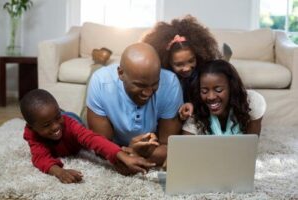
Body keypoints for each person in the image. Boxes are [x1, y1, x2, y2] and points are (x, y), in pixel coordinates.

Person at [20, 89, 156, 184]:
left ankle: (70, 113)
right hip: (62, 126)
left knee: (89, 139)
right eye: (46, 125)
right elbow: (40, 158)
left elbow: (92, 139)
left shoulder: (68, 125)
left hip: (72, 120)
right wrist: (59, 172)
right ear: (32, 127)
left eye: (57, 117)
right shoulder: (32, 135)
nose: (55, 126)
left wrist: (120, 155)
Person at [86, 43, 183, 167]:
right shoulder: (100, 81)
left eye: (154, 84)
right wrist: (127, 155)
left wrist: (136, 153)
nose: (148, 92)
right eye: (140, 85)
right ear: (120, 73)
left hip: (149, 145)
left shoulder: (170, 83)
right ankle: (98, 60)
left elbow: (170, 147)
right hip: (104, 87)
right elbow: (101, 146)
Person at [141, 15, 222, 104]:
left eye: (191, 61)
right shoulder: (164, 80)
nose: (187, 68)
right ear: (167, 62)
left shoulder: (202, 74)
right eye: (179, 64)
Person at [181, 59, 266, 135]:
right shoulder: (197, 111)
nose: (211, 97)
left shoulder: (251, 102)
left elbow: (250, 146)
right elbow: (185, 147)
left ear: (232, 87)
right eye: (204, 91)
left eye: (218, 90)